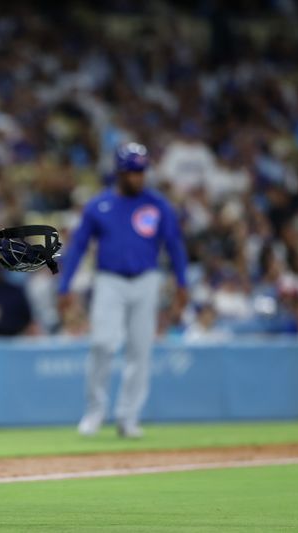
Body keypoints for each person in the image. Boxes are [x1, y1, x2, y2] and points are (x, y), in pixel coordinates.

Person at [58, 143, 188, 438]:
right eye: (132, 171)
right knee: (103, 344)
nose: (137, 177)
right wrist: (65, 285)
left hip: (147, 280)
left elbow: (175, 245)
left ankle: (128, 417)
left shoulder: (157, 205)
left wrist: (182, 283)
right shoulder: (99, 205)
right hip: (109, 280)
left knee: (140, 351)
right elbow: (78, 246)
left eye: (141, 171)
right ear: (118, 172)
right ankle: (94, 412)